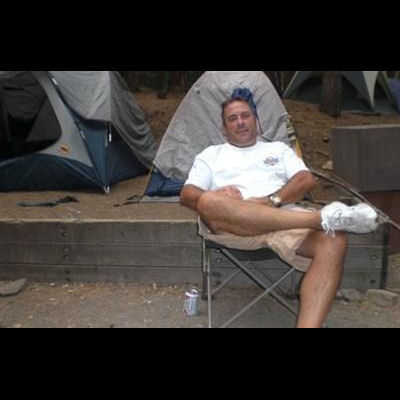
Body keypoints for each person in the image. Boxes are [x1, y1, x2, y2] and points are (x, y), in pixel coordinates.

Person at [180, 95, 379, 328]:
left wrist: (271, 201)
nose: (240, 122)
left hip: (285, 222)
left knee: (334, 240)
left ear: (256, 120)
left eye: (245, 115)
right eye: (232, 119)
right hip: (233, 227)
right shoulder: (211, 155)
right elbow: (188, 195)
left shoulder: (278, 149)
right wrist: (219, 193)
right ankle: (321, 218)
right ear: (224, 129)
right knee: (209, 201)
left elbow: (305, 179)